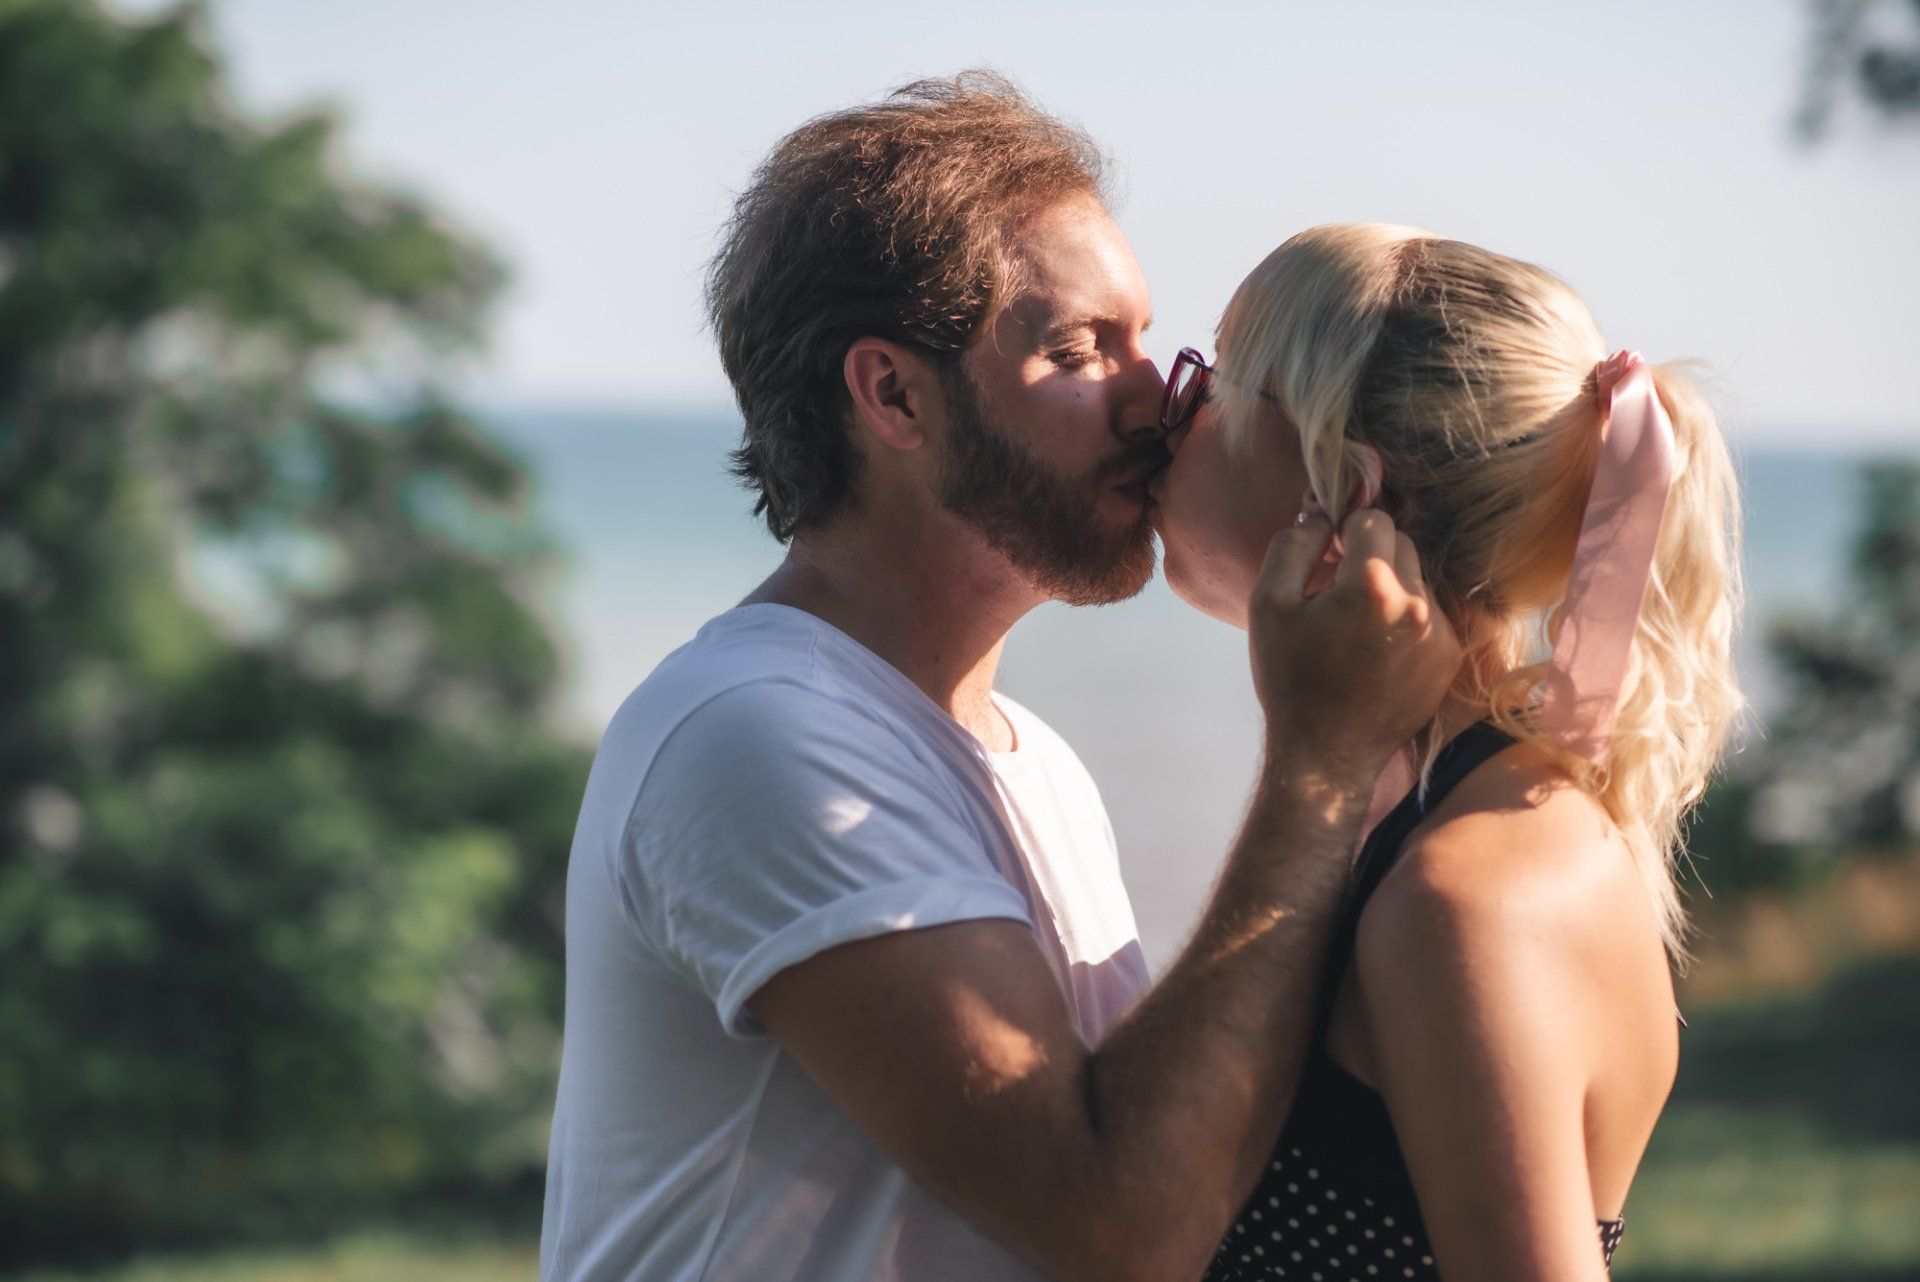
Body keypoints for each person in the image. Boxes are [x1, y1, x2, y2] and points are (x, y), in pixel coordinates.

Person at [538, 79, 1460, 1282]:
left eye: (1145, 335)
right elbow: (1120, 1225)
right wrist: (1319, 759)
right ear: (894, 396)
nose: (1160, 398)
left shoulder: (1032, 760)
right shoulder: (758, 740)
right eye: (1081, 348)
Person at [1149, 223, 1744, 1281]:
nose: (1170, 411)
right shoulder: (1453, 811)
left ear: (1342, 490)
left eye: (1219, 385)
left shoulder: (1467, 896)